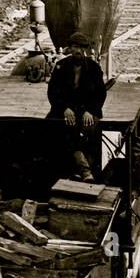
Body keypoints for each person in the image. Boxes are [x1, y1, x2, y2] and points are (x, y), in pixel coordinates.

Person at [47, 33, 107, 182]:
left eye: (80, 47)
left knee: (89, 129)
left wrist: (90, 111)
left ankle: (82, 170)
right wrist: (64, 109)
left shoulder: (94, 68)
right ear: (70, 48)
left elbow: (100, 94)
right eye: (75, 47)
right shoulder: (61, 67)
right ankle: (79, 171)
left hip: (86, 110)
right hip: (66, 110)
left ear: (85, 50)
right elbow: (53, 92)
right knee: (53, 127)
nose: (78, 51)